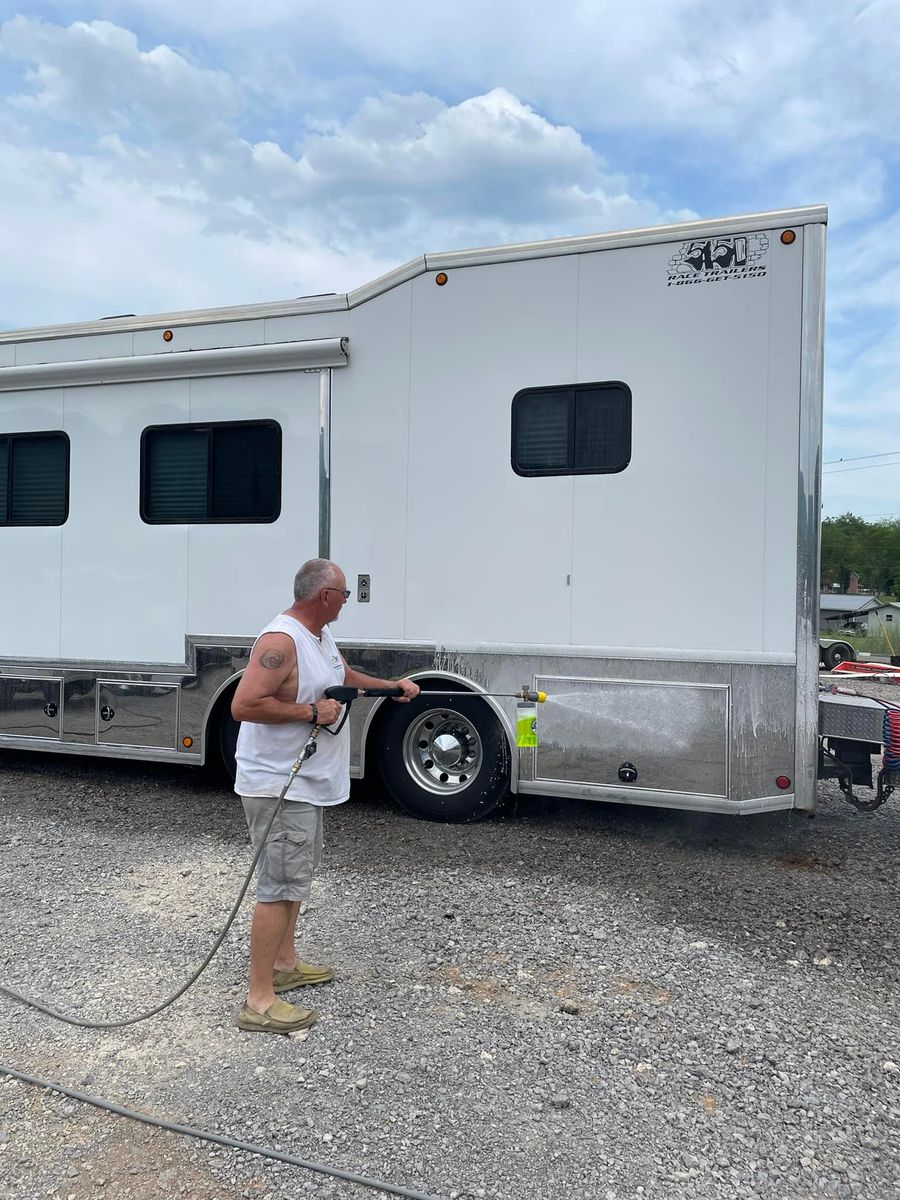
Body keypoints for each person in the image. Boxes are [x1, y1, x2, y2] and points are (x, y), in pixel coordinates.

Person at [230, 558, 419, 1035]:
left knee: (295, 878)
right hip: (278, 785)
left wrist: (390, 688)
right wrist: (309, 711)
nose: (347, 601)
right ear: (325, 597)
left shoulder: (317, 636)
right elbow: (244, 704)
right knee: (277, 886)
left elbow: (344, 673)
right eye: (344, 593)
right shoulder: (280, 641)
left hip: (305, 786)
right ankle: (259, 1000)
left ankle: (285, 964)